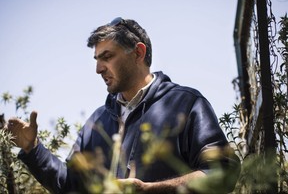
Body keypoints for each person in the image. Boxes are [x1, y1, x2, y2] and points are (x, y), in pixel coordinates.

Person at [8, 17, 240, 193]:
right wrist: (33, 149)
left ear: (138, 53)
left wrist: (150, 190)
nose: (98, 69)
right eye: (97, 60)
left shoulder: (186, 104)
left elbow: (223, 173)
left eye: (107, 57)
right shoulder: (97, 121)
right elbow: (71, 184)